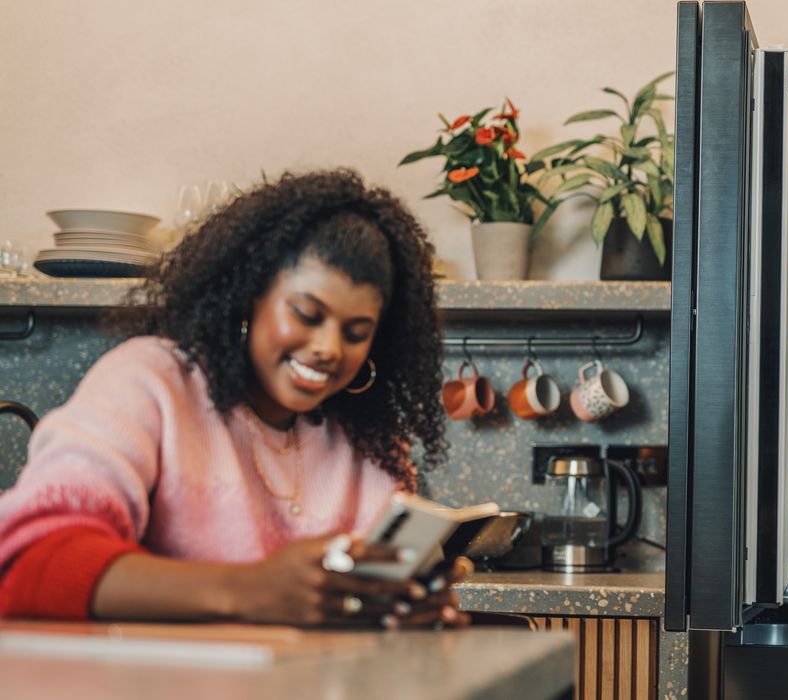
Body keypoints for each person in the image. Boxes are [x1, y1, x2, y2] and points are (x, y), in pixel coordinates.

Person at [0, 169, 469, 628]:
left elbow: (349, 613)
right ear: (249, 297)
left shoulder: (368, 442)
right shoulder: (152, 381)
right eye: (307, 314)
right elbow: (28, 560)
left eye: (356, 332)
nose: (328, 348)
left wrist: (404, 606)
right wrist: (250, 591)